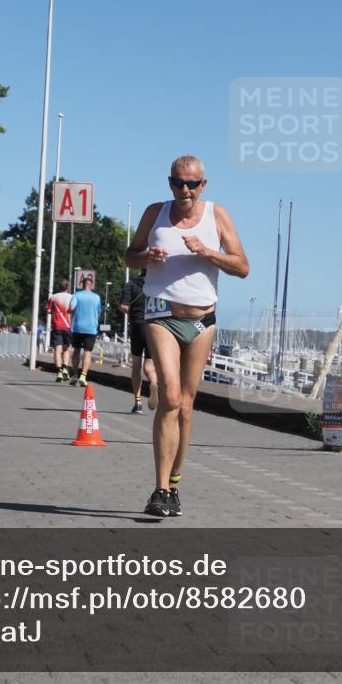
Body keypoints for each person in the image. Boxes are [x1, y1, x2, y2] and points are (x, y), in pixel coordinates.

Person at [125, 155, 249, 517]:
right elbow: (129, 256)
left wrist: (209, 252)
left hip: (201, 321)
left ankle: (175, 485)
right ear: (169, 183)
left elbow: (242, 266)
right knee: (171, 397)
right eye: (179, 183)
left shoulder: (217, 216)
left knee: (188, 406)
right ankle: (159, 489)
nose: (185, 190)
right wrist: (146, 255)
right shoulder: (155, 213)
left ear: (203, 185)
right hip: (161, 313)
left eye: (192, 184)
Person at [120, 269, 157, 414]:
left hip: (137, 325)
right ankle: (153, 382)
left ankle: (138, 402)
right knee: (149, 365)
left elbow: (124, 306)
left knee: (136, 365)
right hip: (153, 328)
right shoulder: (158, 285)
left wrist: (127, 309)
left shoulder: (131, 284)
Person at [67, 275, 102, 387]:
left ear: (82, 285)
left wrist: (69, 311)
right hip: (91, 328)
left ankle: (75, 375)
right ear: (91, 286)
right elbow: (99, 312)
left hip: (77, 327)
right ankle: (83, 375)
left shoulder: (76, 295)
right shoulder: (97, 297)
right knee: (88, 352)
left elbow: (71, 308)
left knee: (76, 351)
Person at [47, 279, 74, 382]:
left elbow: (48, 310)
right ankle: (65, 369)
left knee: (57, 349)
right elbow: (73, 310)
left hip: (56, 325)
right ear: (68, 288)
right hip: (68, 326)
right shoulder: (72, 297)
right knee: (67, 348)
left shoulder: (53, 297)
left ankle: (59, 371)